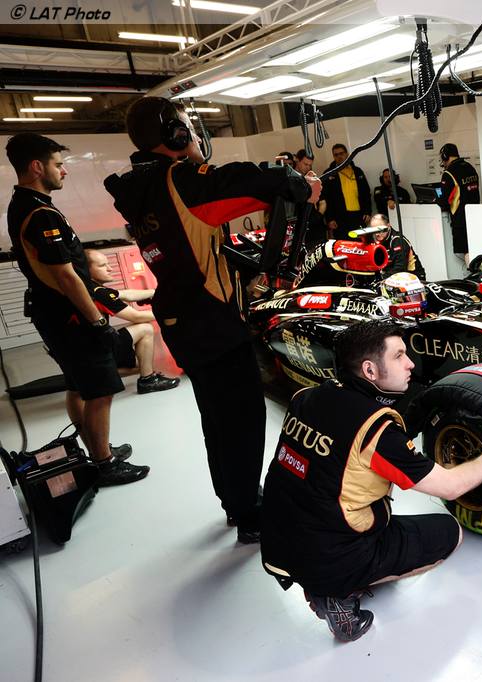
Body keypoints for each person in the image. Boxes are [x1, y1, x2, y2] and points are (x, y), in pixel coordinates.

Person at [104, 96, 321, 542]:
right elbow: (253, 184)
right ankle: (249, 514)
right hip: (213, 322)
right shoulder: (181, 181)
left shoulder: (139, 186)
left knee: (217, 419)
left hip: (183, 319)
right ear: (175, 134)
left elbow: (193, 242)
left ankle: (234, 500)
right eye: (186, 126)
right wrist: (300, 184)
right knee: (242, 420)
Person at [260, 320, 482, 641]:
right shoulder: (376, 431)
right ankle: (337, 595)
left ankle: (328, 578)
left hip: (277, 540)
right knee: (449, 532)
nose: (410, 364)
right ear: (370, 370)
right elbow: (451, 486)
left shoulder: (307, 396)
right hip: (327, 556)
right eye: (399, 356)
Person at [6, 133, 149, 485]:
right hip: (70, 317)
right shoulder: (40, 214)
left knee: (77, 384)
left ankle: (97, 449)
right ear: (37, 167)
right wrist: (97, 321)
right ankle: (104, 464)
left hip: (53, 315)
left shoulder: (23, 204)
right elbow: (67, 277)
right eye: (58, 165)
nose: (64, 171)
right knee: (100, 390)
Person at [84, 249, 179, 393]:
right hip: (97, 350)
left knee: (143, 363)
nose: (110, 269)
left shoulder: (90, 287)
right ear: (87, 270)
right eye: (103, 266)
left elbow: (127, 294)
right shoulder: (99, 293)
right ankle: (147, 380)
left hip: (89, 347)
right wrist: (173, 312)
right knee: (145, 328)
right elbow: (136, 316)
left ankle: (100, 372)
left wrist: (156, 292)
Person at [437, 143, 480, 268]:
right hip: (475, 216)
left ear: (445, 156)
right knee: (475, 247)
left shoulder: (449, 173)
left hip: (460, 217)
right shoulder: (470, 167)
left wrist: (436, 199)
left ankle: (473, 274)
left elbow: (445, 200)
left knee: (466, 250)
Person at [321, 143, 371, 236]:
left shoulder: (357, 171)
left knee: (361, 242)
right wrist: (329, 219)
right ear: (333, 156)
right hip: (339, 219)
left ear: (347, 154)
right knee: (343, 243)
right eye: (336, 155)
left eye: (341, 153)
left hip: (359, 216)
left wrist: (368, 211)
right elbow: (325, 198)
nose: (339, 156)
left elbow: (366, 193)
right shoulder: (328, 174)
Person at [364, 213, 426, 280]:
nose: (377, 234)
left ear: (388, 226)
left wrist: (380, 278)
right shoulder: (374, 240)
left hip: (413, 277)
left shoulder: (398, 240)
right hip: (393, 276)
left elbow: (400, 269)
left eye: (380, 229)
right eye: (374, 230)